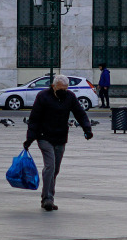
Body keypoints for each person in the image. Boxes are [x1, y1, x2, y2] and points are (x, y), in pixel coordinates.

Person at [24, 75, 93, 211]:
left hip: (60, 137)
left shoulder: (70, 97)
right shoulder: (43, 96)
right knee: (50, 166)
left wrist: (87, 129)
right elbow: (34, 119)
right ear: (53, 86)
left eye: (65, 89)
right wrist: (30, 139)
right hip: (44, 137)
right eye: (61, 89)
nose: (63, 91)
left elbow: (80, 113)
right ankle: (47, 199)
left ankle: (48, 196)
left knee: (55, 170)